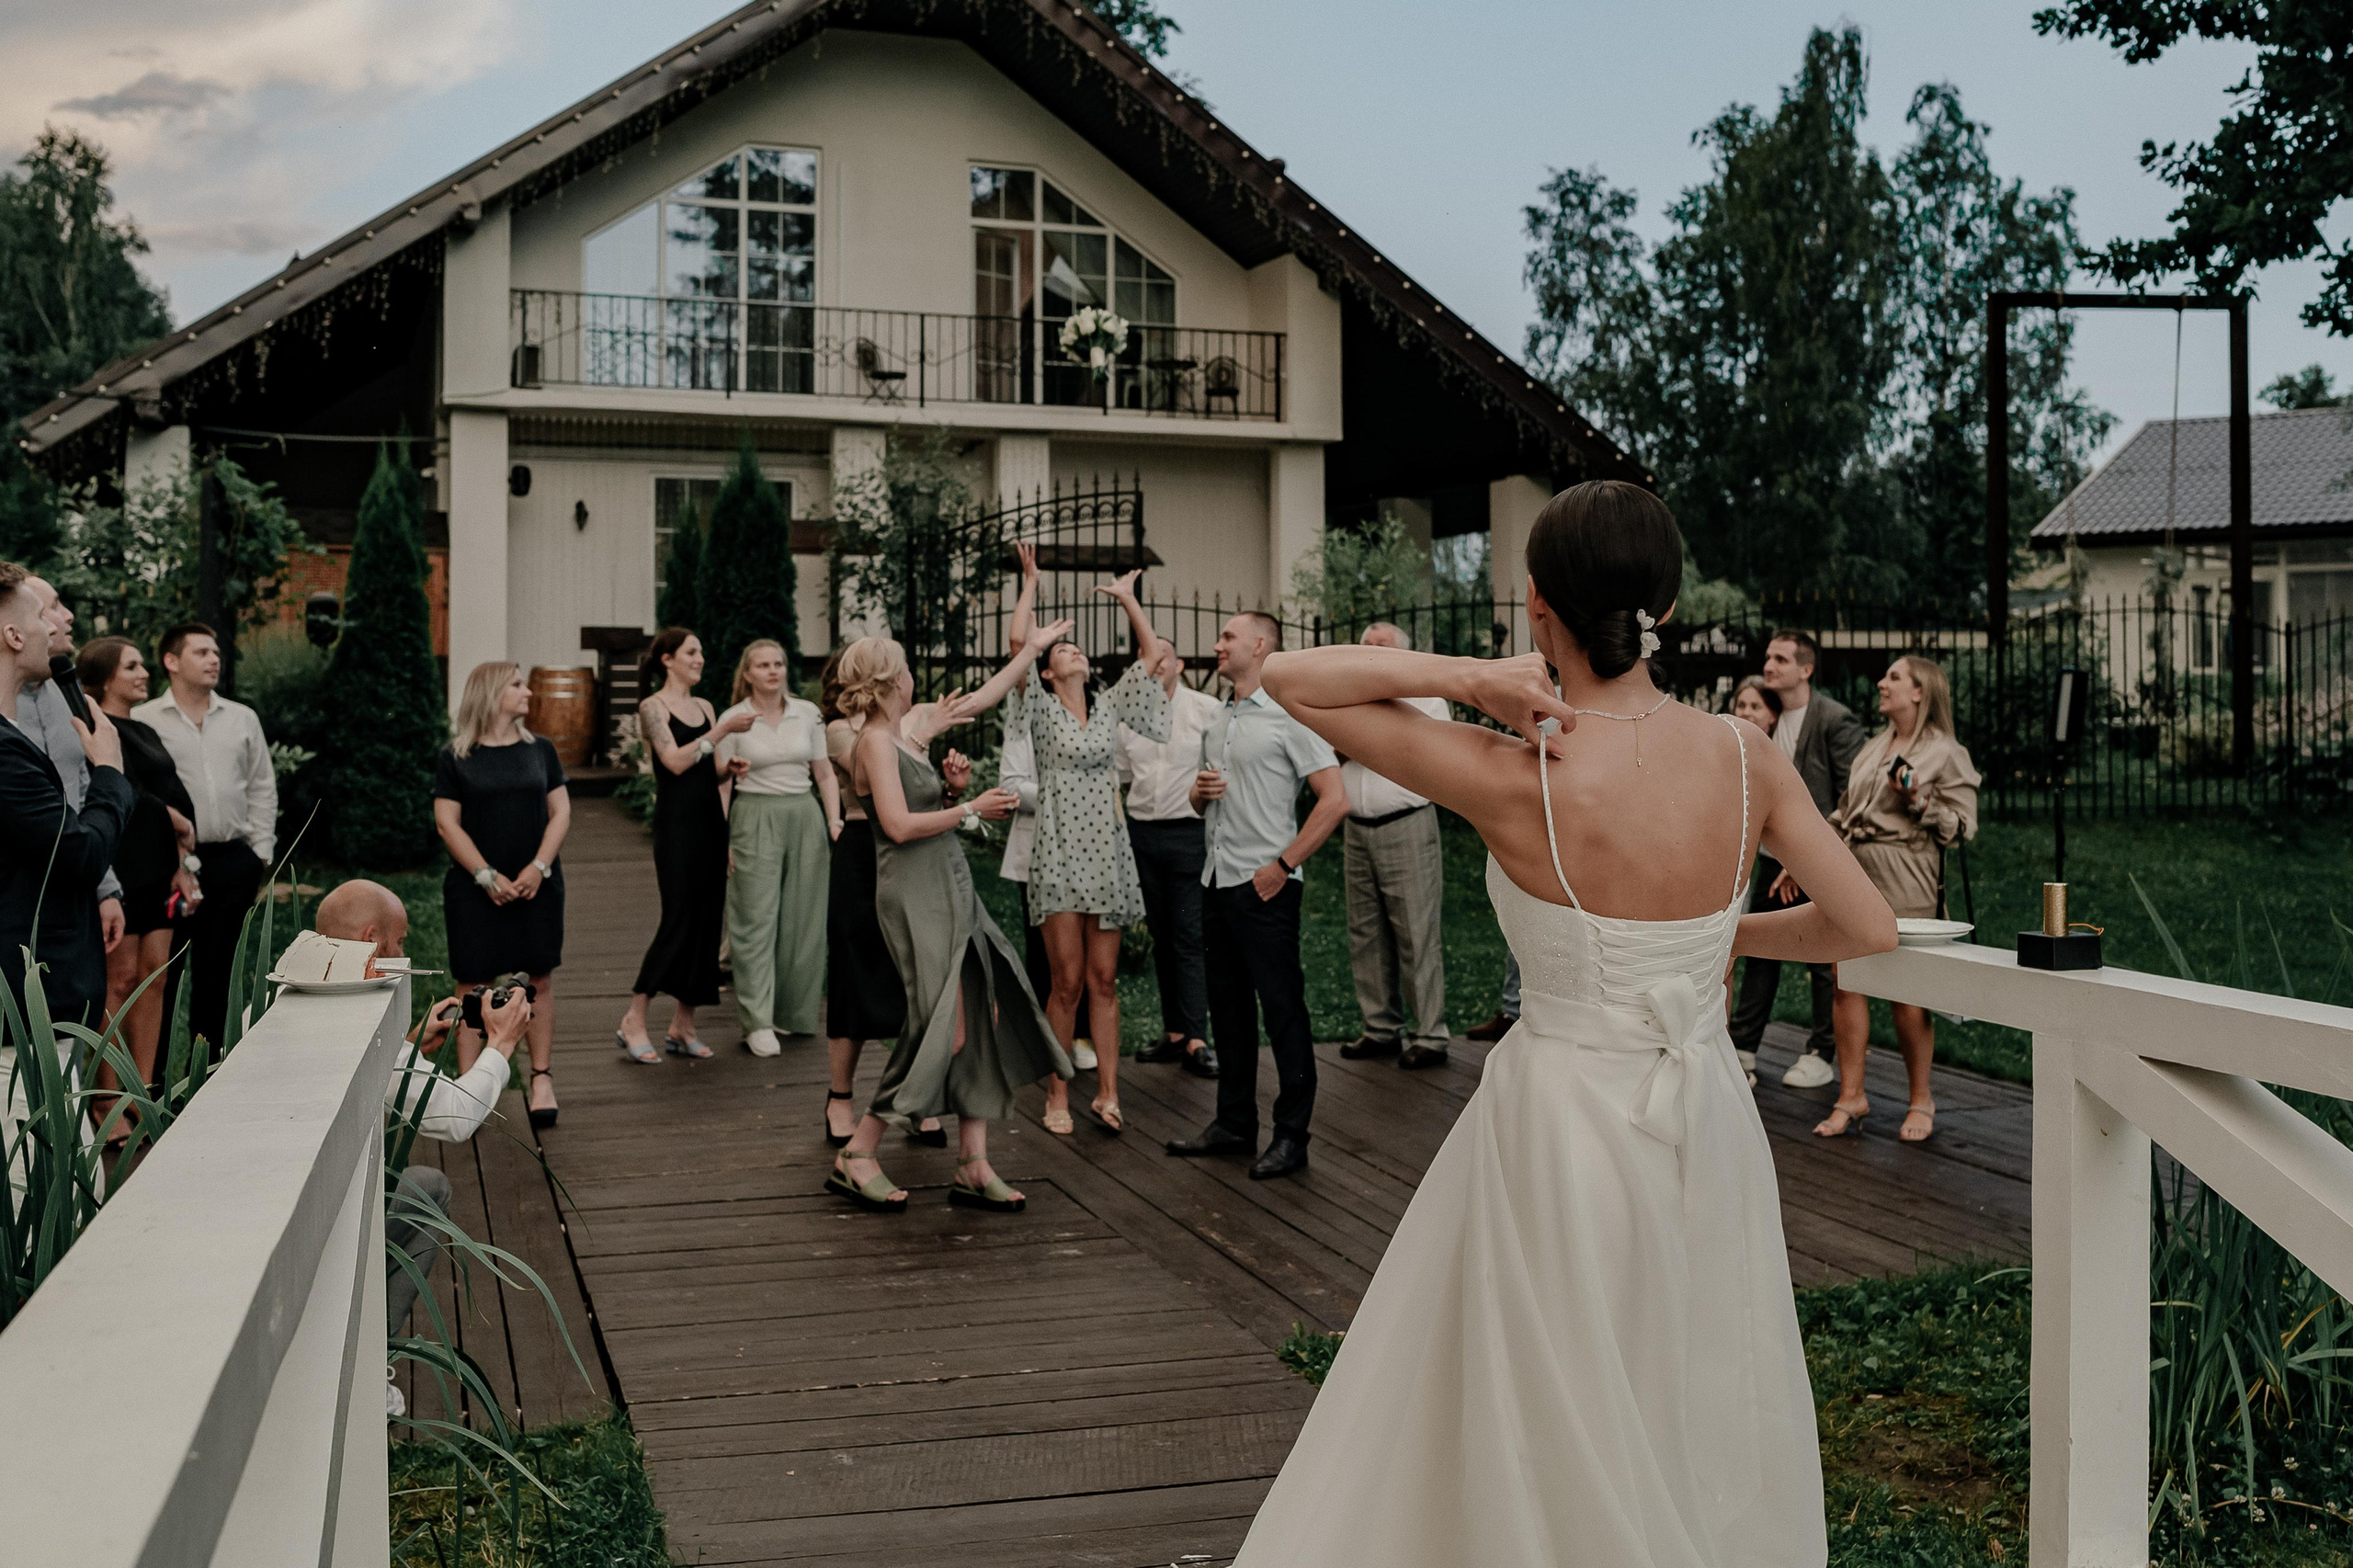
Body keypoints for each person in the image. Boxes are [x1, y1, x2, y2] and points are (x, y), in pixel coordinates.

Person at [1237, 479, 1896, 1568]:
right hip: (1706, 1127)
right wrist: (1722, 937)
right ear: (1666, 611)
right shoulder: (1747, 760)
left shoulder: (1515, 770)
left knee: (1546, 1415)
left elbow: (1292, 679)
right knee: (1688, 1378)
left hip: (1559, 1131)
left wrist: (1469, 678)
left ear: (1536, 605)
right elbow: (1863, 922)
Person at [829, 622, 1074, 1214]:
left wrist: (1033, 651)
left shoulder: (908, 732)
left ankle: (973, 1160)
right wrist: (970, 806)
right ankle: (859, 1152)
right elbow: (895, 826)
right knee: (939, 1024)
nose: (916, 677)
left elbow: (984, 697)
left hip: (949, 881)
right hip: (912, 892)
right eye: (907, 668)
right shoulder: (873, 743)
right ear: (889, 681)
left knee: (980, 1010)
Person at [313, 879, 530, 1416]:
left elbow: (366, 1082)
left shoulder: (288, 997)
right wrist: (501, 1043)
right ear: (372, 939)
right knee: (430, 1190)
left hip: (293, 1205)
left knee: (424, 1183)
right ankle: (366, 1364)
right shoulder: (364, 1030)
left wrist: (410, 1045)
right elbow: (457, 1120)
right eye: (400, 941)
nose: (405, 954)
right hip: (327, 1234)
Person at [1164, 612, 1347, 1183]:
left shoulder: (1292, 714)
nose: (1217, 645)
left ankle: (1292, 1137)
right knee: (1229, 1011)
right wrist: (1198, 794)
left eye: (1227, 637)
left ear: (1261, 645)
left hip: (1266, 888)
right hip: (1217, 883)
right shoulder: (1218, 719)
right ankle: (1234, 1123)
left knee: (1283, 1012)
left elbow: (1334, 799)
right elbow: (1204, 807)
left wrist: (1284, 865)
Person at [1006, 545, 1170, 1135]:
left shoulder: (1107, 707)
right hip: (1058, 852)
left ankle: (1107, 1092)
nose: (1071, 651)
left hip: (1107, 852)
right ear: (1048, 672)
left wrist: (1128, 598)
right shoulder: (1039, 707)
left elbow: (1152, 656)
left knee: (1104, 980)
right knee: (1066, 981)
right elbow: (1017, 647)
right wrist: (1030, 584)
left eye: (1074, 647)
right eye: (1060, 651)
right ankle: (1056, 1094)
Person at [1813, 655, 1979, 1144]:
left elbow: (1964, 826)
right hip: (1856, 871)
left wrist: (1919, 801)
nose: (1881, 683)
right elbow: (1845, 813)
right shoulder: (1873, 748)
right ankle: (1851, 1096)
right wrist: (1803, 861)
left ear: (1919, 692)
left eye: (1893, 677)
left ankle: (1921, 1099)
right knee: (1845, 982)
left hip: (1907, 872)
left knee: (1907, 993)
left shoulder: (1946, 753)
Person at [433, 662, 571, 1128]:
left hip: (538, 886)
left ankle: (541, 1079)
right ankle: (472, 1085)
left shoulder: (542, 751)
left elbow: (560, 813)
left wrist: (538, 867)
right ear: (492, 693)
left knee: (541, 979)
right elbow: (446, 822)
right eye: (517, 684)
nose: (528, 691)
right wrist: (485, 876)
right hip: (475, 890)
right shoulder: (457, 757)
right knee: (473, 983)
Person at [1730, 629, 1866, 1091]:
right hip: (1771, 860)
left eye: (1782, 659)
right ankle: (1743, 1046)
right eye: (1768, 656)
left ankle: (1820, 1051)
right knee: (1758, 949)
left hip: (1820, 860)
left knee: (1822, 955)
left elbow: (1855, 793)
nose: (1770, 665)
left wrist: (1808, 854)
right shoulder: (1768, 717)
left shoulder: (1834, 719)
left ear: (1806, 669)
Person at [0, 562, 131, 1028]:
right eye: (41, 615)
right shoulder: (4, 752)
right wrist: (111, 772)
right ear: (14, 635)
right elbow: (80, 850)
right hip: (23, 1006)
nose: (52, 626)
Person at [131, 623, 275, 1049]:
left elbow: (261, 786)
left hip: (232, 861)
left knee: (219, 976)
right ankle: (151, 1088)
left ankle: (206, 1079)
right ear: (171, 662)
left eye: (216, 651)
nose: (214, 659)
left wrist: (259, 854)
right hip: (166, 866)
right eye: (201, 652)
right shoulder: (143, 721)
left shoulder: (241, 718)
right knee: (160, 976)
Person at [77, 637, 200, 1135]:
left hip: (162, 867)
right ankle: (108, 1100)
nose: (143, 672)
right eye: (132, 666)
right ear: (105, 677)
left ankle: (142, 1092)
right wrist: (168, 815)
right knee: (119, 980)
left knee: (156, 978)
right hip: (122, 865)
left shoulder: (145, 729)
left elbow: (172, 792)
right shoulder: (92, 727)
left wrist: (183, 860)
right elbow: (117, 790)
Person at [616, 629, 750, 1062]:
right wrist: (725, 729)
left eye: (701, 651)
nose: (701, 658)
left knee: (707, 924)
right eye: (692, 652)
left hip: (711, 824)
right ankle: (634, 1017)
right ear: (668, 659)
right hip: (678, 827)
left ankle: (683, 1024)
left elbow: (706, 772)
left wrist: (728, 768)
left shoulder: (706, 707)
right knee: (678, 918)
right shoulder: (652, 707)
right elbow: (674, 762)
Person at [821, 651, 928, 1148]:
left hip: (905, 856)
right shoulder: (845, 730)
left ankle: (916, 1096)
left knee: (911, 976)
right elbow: (870, 770)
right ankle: (839, 1097)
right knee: (854, 973)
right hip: (863, 854)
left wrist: (1031, 650)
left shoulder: (903, 723)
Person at [1336, 621, 1451, 1071]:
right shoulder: (1344, 698)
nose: (1370, 652)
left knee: (1415, 931)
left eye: (1380, 647)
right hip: (1356, 828)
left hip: (1407, 824)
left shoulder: (1427, 700)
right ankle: (1380, 1027)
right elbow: (1327, 751)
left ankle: (1430, 1033)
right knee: (1364, 932)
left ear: (1404, 654)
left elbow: (1430, 757)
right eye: (1365, 646)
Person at [716, 640, 839, 1058]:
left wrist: (834, 819)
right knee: (754, 918)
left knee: (805, 918)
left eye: (779, 663)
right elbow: (723, 782)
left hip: (805, 814)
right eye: (763, 665)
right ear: (747, 674)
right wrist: (724, 838)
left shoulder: (808, 713)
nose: (773, 670)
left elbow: (823, 772)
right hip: (754, 816)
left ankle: (793, 1013)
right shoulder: (733, 719)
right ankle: (758, 1021)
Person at [1115, 639, 1221, 1080]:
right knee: (1160, 933)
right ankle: (1175, 1033)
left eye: (1164, 658)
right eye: (1147, 659)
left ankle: (1198, 1038)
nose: (1156, 666)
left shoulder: (1206, 710)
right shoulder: (1127, 718)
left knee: (1188, 934)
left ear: (1179, 664)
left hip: (1188, 833)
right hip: (1142, 834)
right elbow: (1120, 778)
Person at [995, 698, 1095, 1073]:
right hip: (1040, 852)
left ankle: (1082, 1034)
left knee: (1089, 945)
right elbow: (1011, 784)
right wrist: (1063, 791)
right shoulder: (1026, 719)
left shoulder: (1098, 715)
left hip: (1090, 851)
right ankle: (1048, 1041)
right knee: (1045, 950)